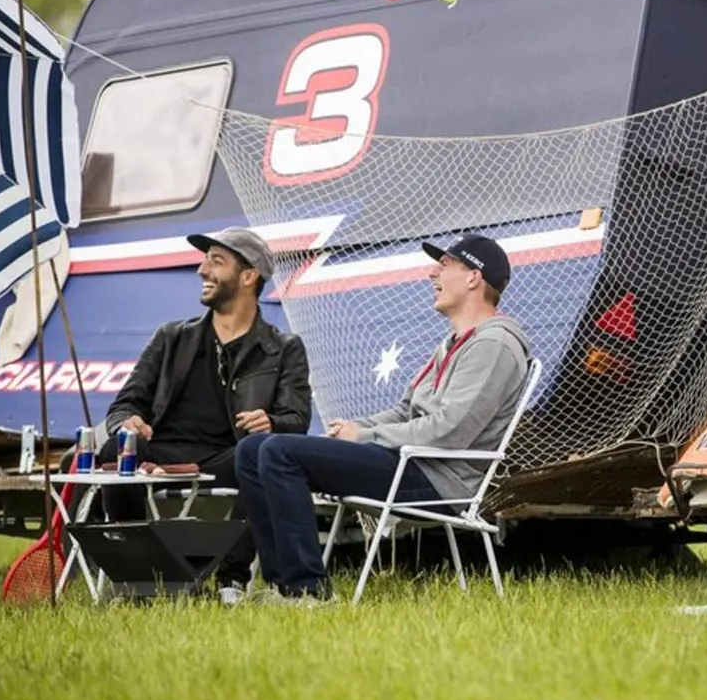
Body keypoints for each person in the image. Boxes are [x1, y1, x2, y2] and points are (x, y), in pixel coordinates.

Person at [234, 233, 531, 602]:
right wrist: (358, 428)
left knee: (280, 453)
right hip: (411, 461)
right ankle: (283, 586)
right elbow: (407, 410)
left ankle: (307, 592)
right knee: (251, 450)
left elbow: (449, 432)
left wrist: (365, 438)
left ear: (473, 277)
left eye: (444, 265)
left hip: (438, 479)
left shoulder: (494, 345)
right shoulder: (455, 342)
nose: (431, 274)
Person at [96, 225, 313, 601]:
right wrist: (126, 422)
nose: (202, 270)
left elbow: (297, 421)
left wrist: (272, 422)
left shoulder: (284, 348)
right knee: (118, 449)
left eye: (216, 261)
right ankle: (143, 577)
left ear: (248, 277)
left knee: (259, 455)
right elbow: (125, 403)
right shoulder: (171, 337)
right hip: (164, 451)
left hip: (230, 456)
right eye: (204, 260)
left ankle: (232, 581)